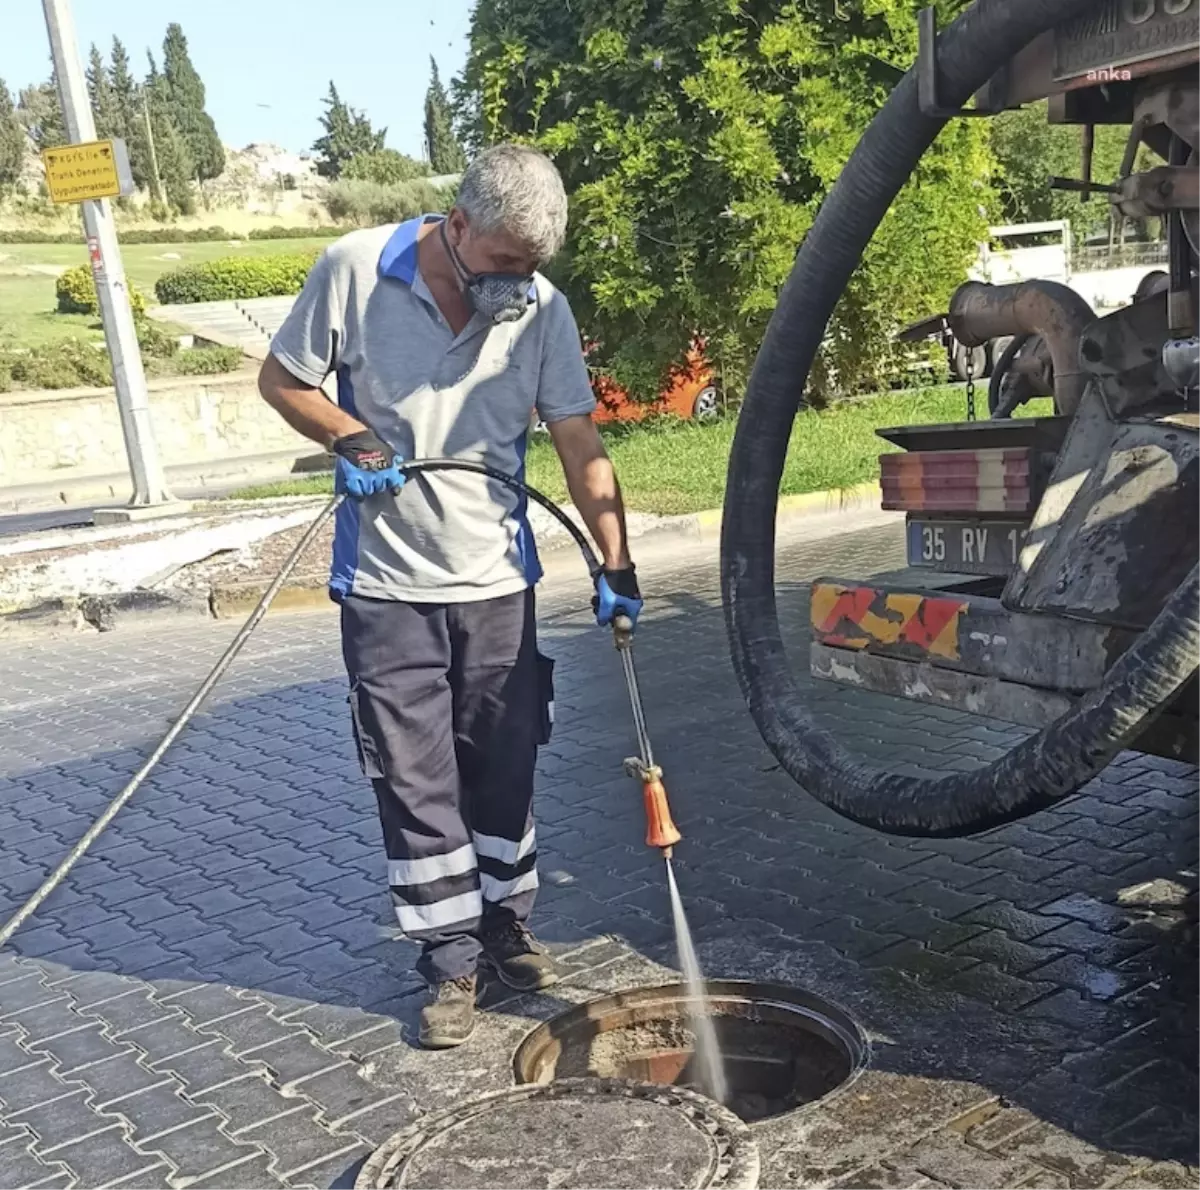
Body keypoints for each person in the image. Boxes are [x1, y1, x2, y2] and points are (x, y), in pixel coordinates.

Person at [258, 144, 643, 1049]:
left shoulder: (542, 310)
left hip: (498, 584)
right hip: (387, 587)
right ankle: (447, 962)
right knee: (415, 779)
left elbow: (580, 443)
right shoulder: (353, 270)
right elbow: (283, 381)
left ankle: (507, 926)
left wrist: (615, 563)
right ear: (458, 225)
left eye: (535, 266)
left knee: (505, 767)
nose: (521, 281)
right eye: (506, 261)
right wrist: (350, 436)